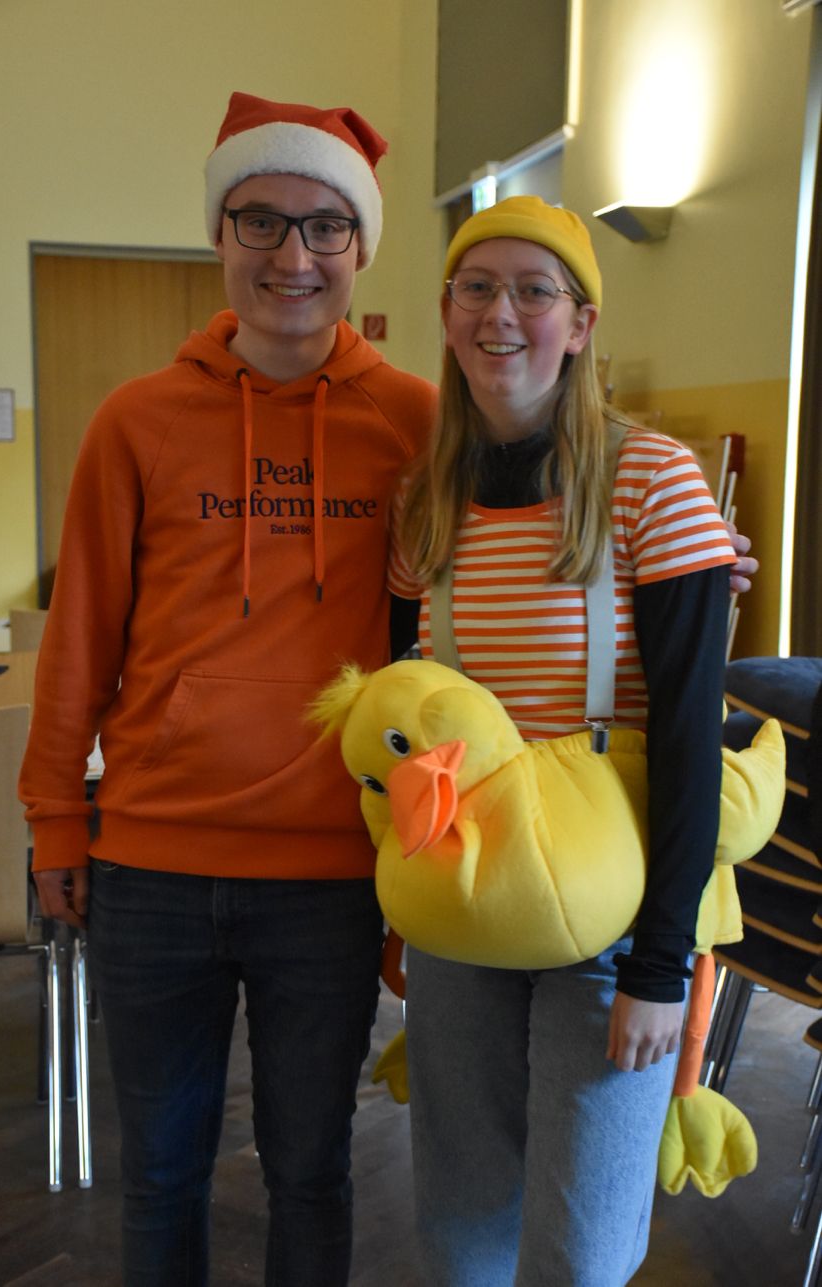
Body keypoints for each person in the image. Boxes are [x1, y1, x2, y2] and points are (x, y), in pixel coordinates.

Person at [18, 92, 437, 1287]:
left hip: (331, 876)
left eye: (323, 226)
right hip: (151, 865)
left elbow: (527, 539)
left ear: (358, 248)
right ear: (218, 234)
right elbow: (80, 641)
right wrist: (54, 820)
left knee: (310, 1172)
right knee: (159, 1177)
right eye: (260, 221)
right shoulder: (136, 421)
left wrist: (682, 558)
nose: (291, 256)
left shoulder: (416, 421)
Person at [387, 196, 741, 1286]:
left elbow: (687, 743)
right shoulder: (425, 501)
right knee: (461, 1235)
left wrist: (661, 966)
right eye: (476, 288)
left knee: (577, 1254)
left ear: (579, 323)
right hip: (461, 911)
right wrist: (401, 904)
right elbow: (405, 728)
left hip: (612, 926)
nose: (501, 314)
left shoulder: (653, 481)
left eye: (533, 291)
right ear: (446, 311)